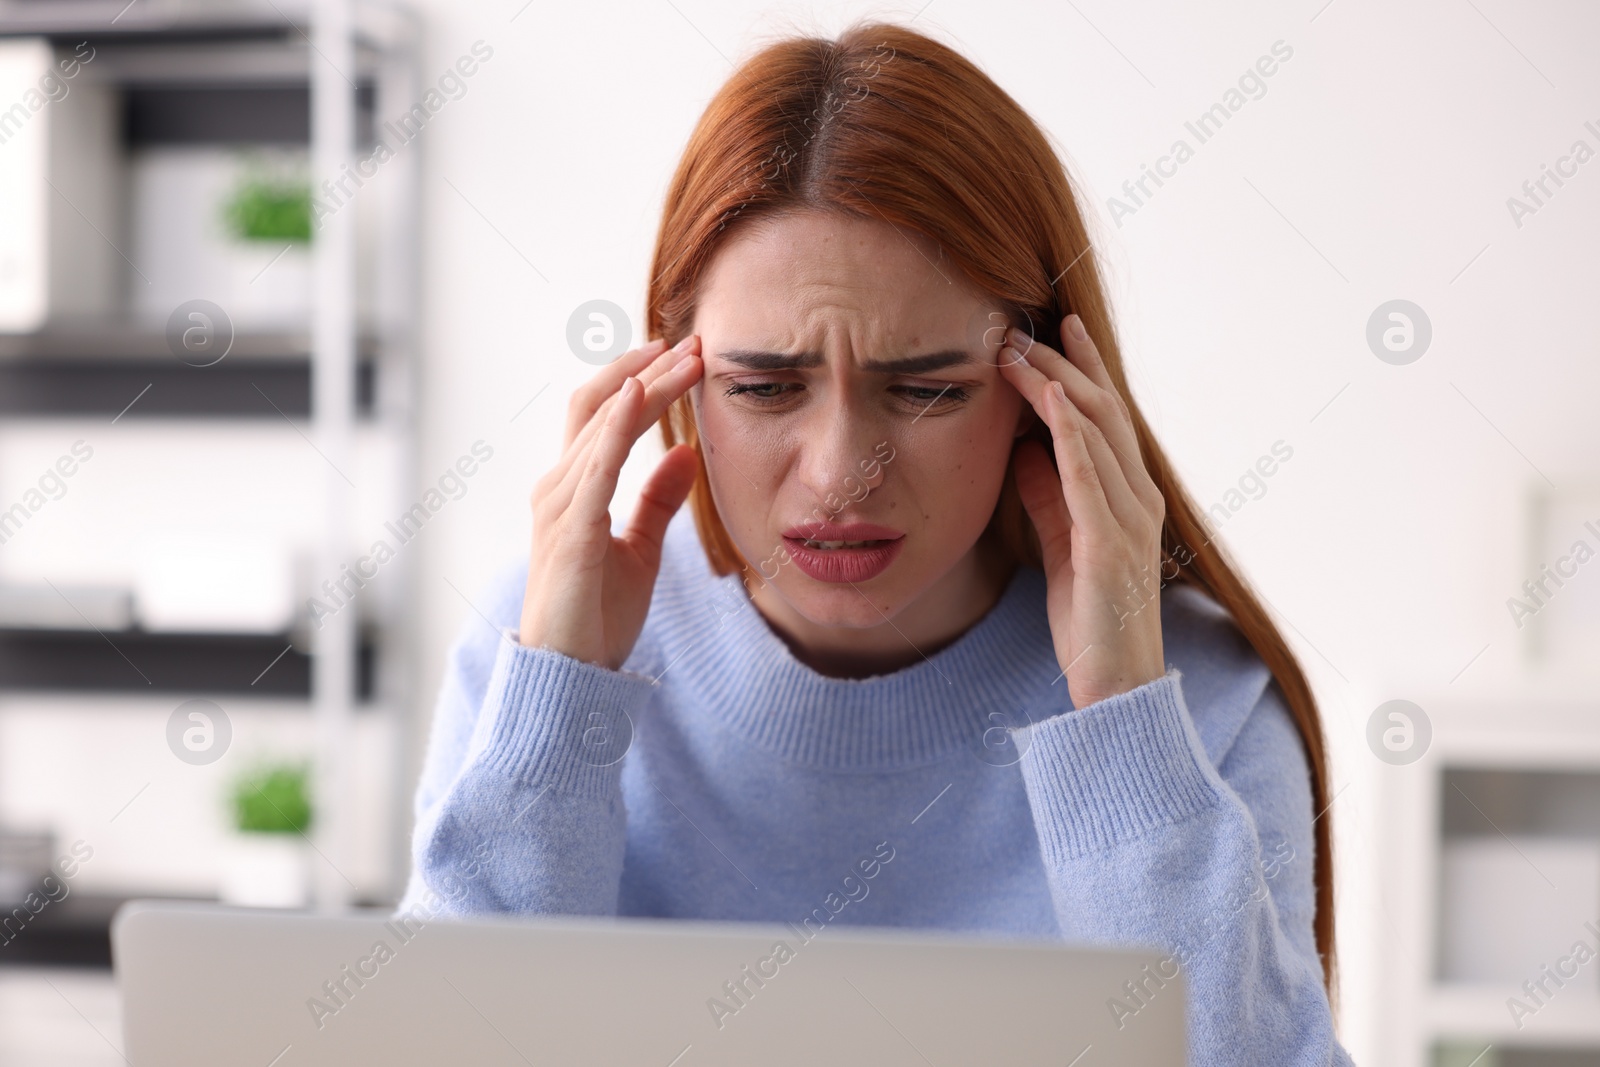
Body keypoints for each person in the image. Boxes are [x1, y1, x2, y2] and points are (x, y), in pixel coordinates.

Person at [401, 21, 1351, 1065]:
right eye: (764, 387)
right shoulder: (534, 654)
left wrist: (1123, 718)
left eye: (927, 388)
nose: (838, 472)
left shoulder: (1199, 698)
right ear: (673, 382)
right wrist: (556, 710)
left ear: (1045, 399)